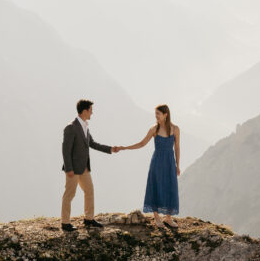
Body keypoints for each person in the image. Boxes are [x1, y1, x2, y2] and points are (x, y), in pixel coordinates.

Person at [118, 104, 180, 229]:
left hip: (169, 163)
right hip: (157, 162)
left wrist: (177, 165)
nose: (156, 116)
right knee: (155, 186)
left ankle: (168, 218)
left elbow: (177, 147)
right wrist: (125, 147)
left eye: (158, 114)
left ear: (165, 114)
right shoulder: (154, 129)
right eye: (155, 113)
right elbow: (142, 143)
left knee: (171, 187)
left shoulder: (175, 129)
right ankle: (157, 218)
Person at [61, 99, 119, 232]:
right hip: (73, 169)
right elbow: (65, 150)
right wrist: (68, 168)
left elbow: (92, 144)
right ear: (85, 111)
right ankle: (65, 223)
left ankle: (89, 219)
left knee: (89, 190)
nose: (92, 113)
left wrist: (111, 149)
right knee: (69, 194)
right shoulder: (71, 127)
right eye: (91, 110)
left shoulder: (85, 126)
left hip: (84, 168)